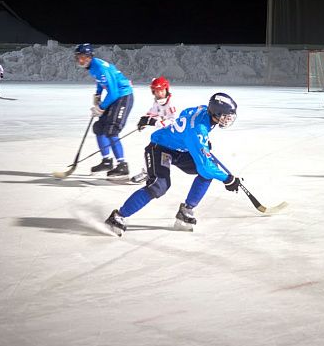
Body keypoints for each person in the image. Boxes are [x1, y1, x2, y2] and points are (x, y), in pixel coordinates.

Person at [104, 92, 241, 235]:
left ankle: (186, 210)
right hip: (160, 148)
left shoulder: (203, 110)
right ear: (216, 113)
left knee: (211, 169)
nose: (227, 119)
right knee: (159, 186)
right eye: (225, 116)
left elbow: (186, 113)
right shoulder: (198, 130)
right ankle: (118, 216)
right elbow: (204, 166)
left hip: (181, 150)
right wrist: (227, 179)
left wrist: (200, 143)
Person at [74, 43, 134, 178]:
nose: (80, 60)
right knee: (99, 127)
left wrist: (100, 108)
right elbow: (100, 82)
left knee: (112, 130)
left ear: (89, 57)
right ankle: (106, 160)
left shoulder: (100, 68)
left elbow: (114, 93)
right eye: (78, 57)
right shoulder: (92, 67)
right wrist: (98, 94)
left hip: (123, 96)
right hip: (115, 96)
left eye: (82, 57)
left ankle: (122, 165)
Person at [130, 76, 178, 183]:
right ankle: (148, 172)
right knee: (150, 149)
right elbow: (153, 112)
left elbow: (174, 122)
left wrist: (155, 122)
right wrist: (145, 120)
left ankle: (158, 176)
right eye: (156, 92)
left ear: (166, 89)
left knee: (160, 153)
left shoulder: (171, 103)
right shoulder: (157, 102)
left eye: (161, 91)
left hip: (176, 135)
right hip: (165, 133)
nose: (159, 94)